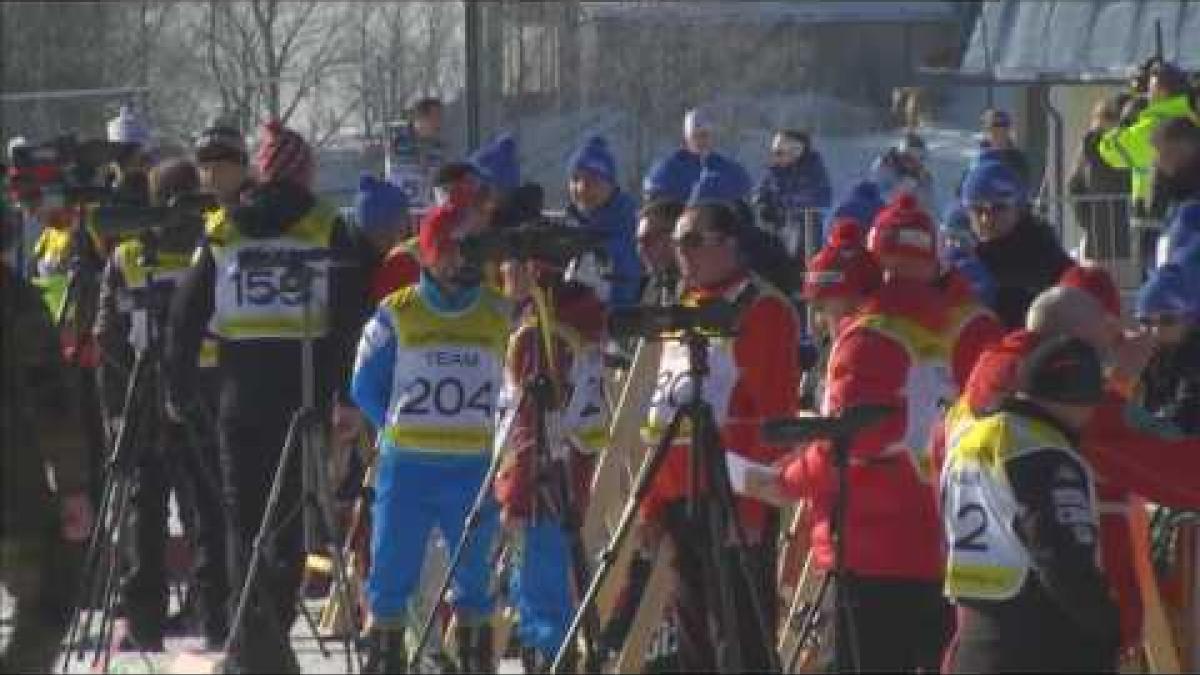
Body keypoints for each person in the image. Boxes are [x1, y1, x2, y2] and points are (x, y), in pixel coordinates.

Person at [166, 120, 368, 673]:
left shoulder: (226, 226)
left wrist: (179, 388)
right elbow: (352, 316)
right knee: (290, 524)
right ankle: (271, 636)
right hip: (302, 389)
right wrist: (344, 391)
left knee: (242, 520)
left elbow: (185, 316)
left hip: (240, 390)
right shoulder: (327, 224)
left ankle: (249, 641)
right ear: (302, 172)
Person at [777, 195, 974, 673]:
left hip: (870, 548)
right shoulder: (967, 322)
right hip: (951, 540)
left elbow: (845, 442)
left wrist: (782, 480)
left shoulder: (868, 337)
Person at [637, 183, 800, 670]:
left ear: (727, 244)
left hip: (730, 496)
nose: (679, 253)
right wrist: (650, 501)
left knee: (741, 637)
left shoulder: (760, 308)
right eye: (676, 242)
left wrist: (749, 509)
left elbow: (769, 413)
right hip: (679, 495)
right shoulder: (682, 307)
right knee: (694, 638)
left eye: (691, 241)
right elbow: (661, 412)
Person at [350, 203, 510, 673]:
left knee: (475, 577)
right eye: (448, 252)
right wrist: (393, 429)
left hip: (472, 468)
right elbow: (363, 384)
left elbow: (516, 384)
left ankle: (476, 661)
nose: (459, 263)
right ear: (428, 255)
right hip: (410, 467)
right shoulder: (398, 312)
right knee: (392, 573)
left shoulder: (497, 312)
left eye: (467, 251)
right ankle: (386, 660)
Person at [94, 159, 227, 651]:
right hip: (179, 389)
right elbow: (106, 334)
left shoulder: (151, 253)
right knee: (181, 508)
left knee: (163, 507)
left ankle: (171, 616)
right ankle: (189, 613)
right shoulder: (202, 251)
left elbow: (105, 335)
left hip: (173, 390)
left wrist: (115, 403)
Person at [943, 336, 1118, 672]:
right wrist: (1106, 625)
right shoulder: (1045, 452)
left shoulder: (969, 439)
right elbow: (1062, 556)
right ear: (1082, 398)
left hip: (974, 635)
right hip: (1040, 641)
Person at [493, 246, 609, 672]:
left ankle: (549, 660)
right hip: (574, 469)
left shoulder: (539, 334)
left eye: (508, 261)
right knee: (557, 586)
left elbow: (529, 425)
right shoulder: (582, 321)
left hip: (541, 482)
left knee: (539, 595)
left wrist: (516, 498)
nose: (500, 269)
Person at [2, 232, 93, 673]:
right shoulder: (16, 301)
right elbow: (50, 400)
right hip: (14, 481)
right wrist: (73, 485)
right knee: (51, 595)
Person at [960, 159, 1073, 328]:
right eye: (978, 210)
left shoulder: (1042, 253)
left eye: (998, 208)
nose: (986, 219)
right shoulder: (965, 259)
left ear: (1019, 208)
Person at [565, 135, 642, 307]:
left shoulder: (628, 232)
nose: (582, 188)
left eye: (593, 180)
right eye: (576, 179)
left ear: (611, 185)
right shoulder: (572, 230)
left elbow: (625, 294)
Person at [642, 107, 752, 206]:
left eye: (705, 135)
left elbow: (744, 191)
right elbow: (654, 196)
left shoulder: (728, 169)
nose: (701, 141)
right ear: (686, 138)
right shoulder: (669, 168)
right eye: (695, 136)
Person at [1136, 263, 1200, 433]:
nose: (1155, 331)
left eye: (1167, 321)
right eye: (1145, 322)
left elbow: (1183, 424)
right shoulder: (1142, 358)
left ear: (1189, 323)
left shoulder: (1194, 361)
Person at [1069, 98, 1132, 261]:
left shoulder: (1128, 140)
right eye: (1106, 116)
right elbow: (1074, 182)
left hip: (1126, 225)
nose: (1111, 121)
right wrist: (1085, 219)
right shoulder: (1090, 141)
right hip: (1099, 226)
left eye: (1114, 116)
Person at [754, 129, 832, 256]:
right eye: (774, 153)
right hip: (777, 231)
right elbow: (760, 192)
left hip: (805, 236)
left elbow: (821, 198)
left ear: (795, 152)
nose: (775, 157)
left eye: (779, 153)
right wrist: (762, 205)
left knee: (800, 229)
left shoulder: (812, 170)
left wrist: (784, 205)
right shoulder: (774, 171)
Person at [1150, 117, 1200, 267]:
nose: (1156, 161)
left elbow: (1182, 271)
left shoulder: (1192, 206)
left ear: (1182, 149)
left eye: (1160, 151)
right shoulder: (1177, 196)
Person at [386, 97, 445, 208]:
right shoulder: (398, 144)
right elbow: (397, 179)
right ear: (421, 118)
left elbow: (438, 181)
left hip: (428, 211)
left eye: (440, 118)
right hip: (403, 212)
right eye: (435, 118)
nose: (439, 123)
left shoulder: (438, 148)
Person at [194, 117, 254, 209]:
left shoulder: (265, 212)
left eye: (225, 156)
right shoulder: (187, 213)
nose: (213, 169)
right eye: (205, 157)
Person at [636, 198, 684, 305]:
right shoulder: (653, 285)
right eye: (639, 241)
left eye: (649, 239)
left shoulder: (701, 288)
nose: (641, 249)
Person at [978, 108, 1032, 188]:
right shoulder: (977, 156)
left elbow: (1023, 186)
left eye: (1004, 124)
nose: (1001, 129)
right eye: (995, 125)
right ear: (986, 128)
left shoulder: (1017, 159)